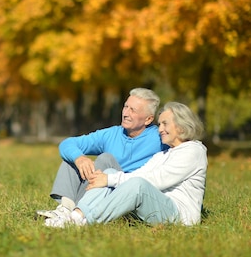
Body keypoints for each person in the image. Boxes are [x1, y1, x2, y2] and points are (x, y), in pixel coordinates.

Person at [44, 101, 207, 228]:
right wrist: (107, 177)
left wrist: (109, 180)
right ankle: (76, 215)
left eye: (165, 124)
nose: (159, 129)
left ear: (181, 125)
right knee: (108, 171)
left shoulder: (193, 151)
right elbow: (143, 172)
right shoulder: (163, 154)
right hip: (157, 207)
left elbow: (156, 180)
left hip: (180, 215)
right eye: (160, 124)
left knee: (135, 184)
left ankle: (85, 220)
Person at [36, 88, 166, 220]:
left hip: (130, 198)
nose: (126, 113)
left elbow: (183, 147)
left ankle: (78, 213)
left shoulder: (160, 137)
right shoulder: (111, 134)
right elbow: (67, 144)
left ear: (148, 119)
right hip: (98, 191)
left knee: (106, 158)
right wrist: (79, 158)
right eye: (126, 107)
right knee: (71, 157)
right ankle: (66, 209)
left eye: (133, 110)